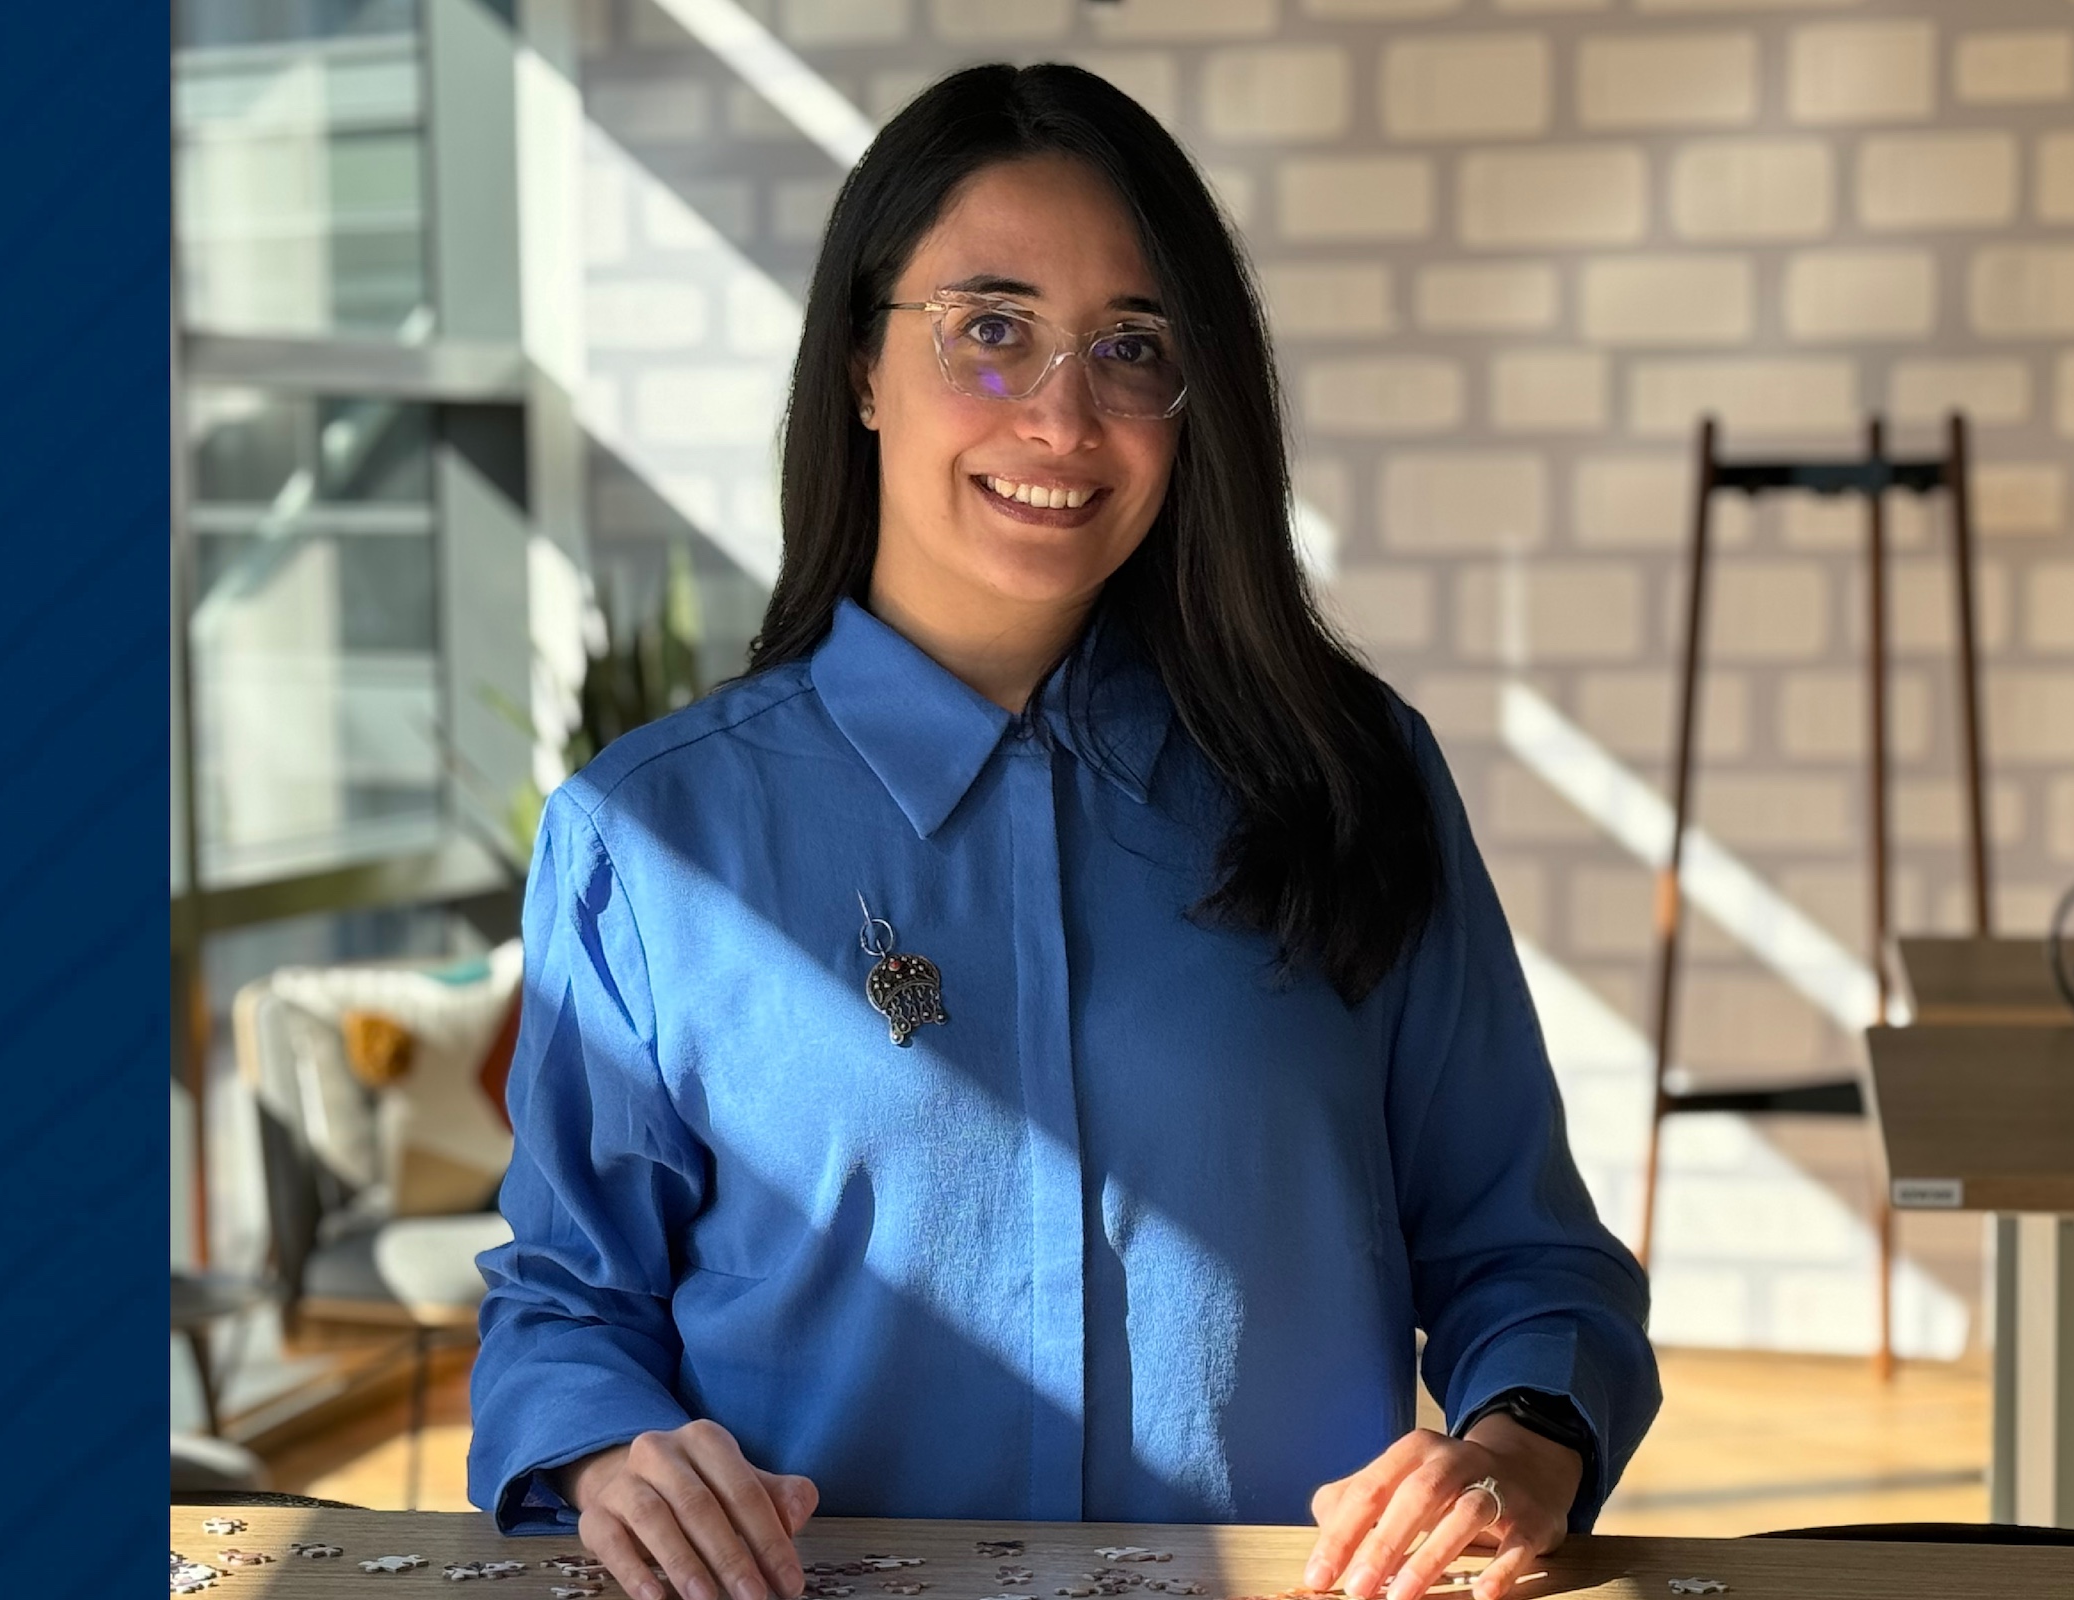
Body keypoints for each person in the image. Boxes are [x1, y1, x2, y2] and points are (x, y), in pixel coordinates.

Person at [463, 62, 1655, 1600]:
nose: (1065, 414)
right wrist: (611, 1456)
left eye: (1133, 346)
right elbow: (566, 1302)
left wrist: (1511, 1451)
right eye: (991, 329)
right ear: (859, 369)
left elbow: (1529, 1259)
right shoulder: (649, 837)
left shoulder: (1355, 780)